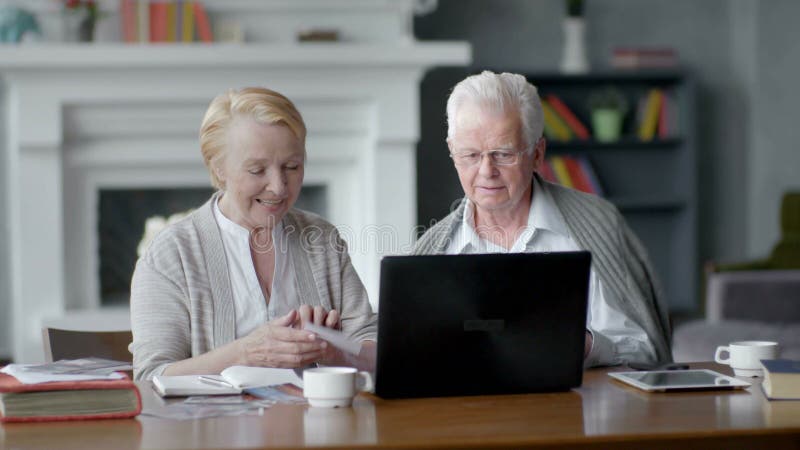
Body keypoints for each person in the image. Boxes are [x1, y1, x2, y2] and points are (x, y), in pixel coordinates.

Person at [413, 71, 671, 367]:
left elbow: (648, 354)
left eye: (503, 154)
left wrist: (583, 345)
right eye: (470, 155)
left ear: (537, 154)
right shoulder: (431, 249)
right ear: (452, 151)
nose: (486, 171)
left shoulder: (599, 226)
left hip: (579, 409)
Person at [130, 87, 377, 380]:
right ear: (218, 168)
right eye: (257, 170)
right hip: (213, 425)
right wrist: (246, 353)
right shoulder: (172, 253)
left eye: (292, 166)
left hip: (315, 422)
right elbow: (150, 376)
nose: (279, 187)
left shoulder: (321, 238)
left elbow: (374, 349)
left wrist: (335, 352)